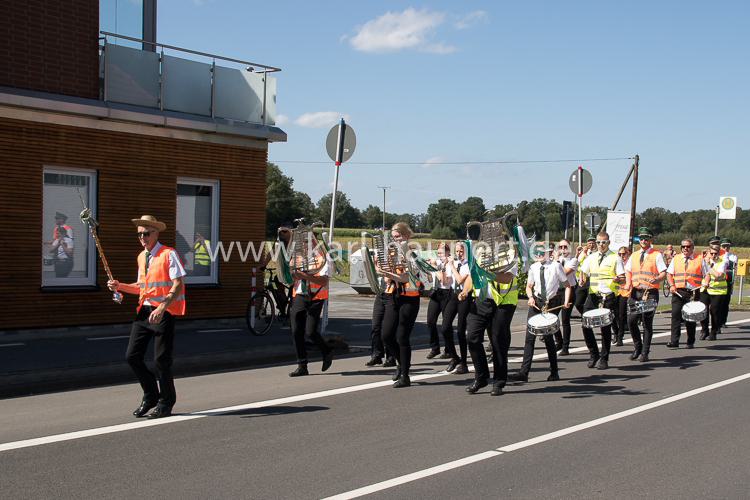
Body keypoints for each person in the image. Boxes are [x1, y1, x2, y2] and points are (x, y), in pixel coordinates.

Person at [107, 215, 186, 419]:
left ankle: (166, 402)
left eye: (146, 233)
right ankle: (151, 395)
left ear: (156, 233)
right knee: (132, 356)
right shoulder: (142, 257)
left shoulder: (169, 254)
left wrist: (162, 307)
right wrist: (120, 286)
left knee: (161, 361)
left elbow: (178, 284)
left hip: (164, 312)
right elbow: (142, 287)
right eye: (139, 234)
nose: (142, 237)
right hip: (144, 312)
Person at [459, 244, 519, 396]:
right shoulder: (479, 253)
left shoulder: (510, 253)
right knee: (471, 337)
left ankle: (499, 381)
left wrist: (488, 272)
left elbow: (507, 278)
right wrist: (465, 291)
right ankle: (481, 377)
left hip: (503, 302)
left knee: (498, 341)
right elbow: (473, 276)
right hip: (481, 301)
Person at [509, 244, 572, 384]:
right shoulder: (534, 267)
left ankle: (554, 371)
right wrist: (530, 297)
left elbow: (567, 286)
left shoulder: (556, 266)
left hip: (550, 303)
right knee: (529, 338)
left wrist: (566, 301)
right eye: (536, 252)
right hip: (536, 302)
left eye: (542, 252)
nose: (539, 255)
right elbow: (528, 287)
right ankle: (523, 373)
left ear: (548, 253)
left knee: (548, 338)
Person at [379, 222, 421, 388]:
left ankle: (405, 375)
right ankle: (400, 363)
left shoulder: (414, 254)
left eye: (398, 237)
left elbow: (406, 278)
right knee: (386, 336)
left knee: (402, 337)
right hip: (392, 296)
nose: (396, 240)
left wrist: (387, 273)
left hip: (409, 298)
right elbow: (385, 273)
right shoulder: (390, 252)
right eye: (394, 237)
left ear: (407, 236)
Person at [287, 230, 334, 377]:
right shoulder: (297, 256)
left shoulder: (324, 257)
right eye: (303, 241)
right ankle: (302, 365)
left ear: (315, 241)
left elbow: (324, 280)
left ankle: (326, 351)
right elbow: (290, 277)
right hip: (299, 295)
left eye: (308, 241)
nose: (305, 244)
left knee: (310, 332)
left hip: (316, 296)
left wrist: (304, 275)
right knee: (296, 332)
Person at [578, 232, 625, 370]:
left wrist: (618, 279)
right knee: (585, 325)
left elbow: (623, 278)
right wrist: (582, 279)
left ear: (609, 243)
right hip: (593, 295)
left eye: (603, 242)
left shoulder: (615, 258)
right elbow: (583, 271)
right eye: (598, 242)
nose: (600, 245)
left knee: (605, 328)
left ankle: (604, 358)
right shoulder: (591, 258)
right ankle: (594, 354)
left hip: (608, 296)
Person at [624, 228, 667, 362]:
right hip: (636, 292)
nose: (643, 241)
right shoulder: (635, 255)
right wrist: (627, 283)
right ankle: (637, 346)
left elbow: (663, 273)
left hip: (650, 293)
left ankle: (645, 352)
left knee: (647, 322)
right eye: (641, 238)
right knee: (631, 321)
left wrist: (657, 279)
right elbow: (628, 270)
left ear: (650, 240)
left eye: (646, 238)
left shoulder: (656, 255)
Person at [666, 238, 710, 348]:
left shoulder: (700, 259)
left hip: (693, 292)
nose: (686, 248)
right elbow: (669, 274)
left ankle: (690, 341)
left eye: (688, 246)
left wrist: (706, 283)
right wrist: (671, 285)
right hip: (678, 291)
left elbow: (707, 274)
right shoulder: (676, 259)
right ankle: (674, 341)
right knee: (675, 315)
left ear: (692, 248)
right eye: (683, 246)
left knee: (690, 317)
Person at [425, 243, 458, 361]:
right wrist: (428, 270)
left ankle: (448, 350)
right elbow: (430, 279)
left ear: (448, 253)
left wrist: (434, 267)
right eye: (438, 253)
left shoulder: (449, 264)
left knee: (446, 324)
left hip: (447, 293)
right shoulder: (437, 263)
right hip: (436, 292)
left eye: (442, 253)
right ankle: (435, 347)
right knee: (430, 321)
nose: (439, 255)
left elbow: (444, 281)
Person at [444, 241, 471, 374]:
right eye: (457, 252)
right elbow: (449, 281)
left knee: (461, 330)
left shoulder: (468, 264)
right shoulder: (453, 264)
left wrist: (452, 266)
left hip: (465, 296)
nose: (459, 254)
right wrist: (443, 269)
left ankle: (464, 363)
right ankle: (455, 357)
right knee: (445, 327)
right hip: (454, 295)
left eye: (461, 252)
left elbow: (460, 279)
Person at [697, 244, 728, 341]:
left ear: (719, 253)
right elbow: (702, 273)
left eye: (715, 253)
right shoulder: (704, 261)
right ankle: (704, 330)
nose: (713, 255)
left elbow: (718, 275)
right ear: (708, 253)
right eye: (712, 253)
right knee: (703, 310)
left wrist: (709, 266)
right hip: (705, 289)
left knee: (714, 311)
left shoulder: (722, 262)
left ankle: (713, 332)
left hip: (718, 290)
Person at [552, 239, 578, 355]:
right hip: (557, 291)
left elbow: (563, 273)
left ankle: (565, 347)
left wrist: (556, 260)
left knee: (565, 320)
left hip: (569, 290)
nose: (563, 249)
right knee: (551, 318)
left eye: (565, 247)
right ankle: (559, 341)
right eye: (561, 247)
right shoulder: (556, 260)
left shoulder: (573, 260)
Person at [574, 237, 597, 316]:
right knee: (578, 302)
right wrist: (583, 253)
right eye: (589, 243)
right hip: (583, 278)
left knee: (592, 301)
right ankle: (585, 315)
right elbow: (577, 263)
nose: (591, 245)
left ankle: (589, 317)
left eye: (593, 243)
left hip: (594, 278)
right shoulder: (583, 253)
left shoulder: (597, 253)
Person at [614, 246, 631, 346]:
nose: (621, 256)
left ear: (628, 253)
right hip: (615, 291)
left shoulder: (630, 264)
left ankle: (620, 337)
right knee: (612, 313)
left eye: (623, 254)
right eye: (619, 254)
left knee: (621, 314)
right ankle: (616, 332)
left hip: (626, 291)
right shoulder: (616, 263)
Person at [720, 238, 737, 327]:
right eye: (724, 246)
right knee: (717, 303)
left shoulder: (733, 257)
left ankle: (723, 321)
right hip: (717, 282)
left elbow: (734, 267)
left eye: (728, 246)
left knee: (725, 302)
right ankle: (717, 321)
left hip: (728, 282)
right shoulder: (717, 255)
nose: (726, 248)